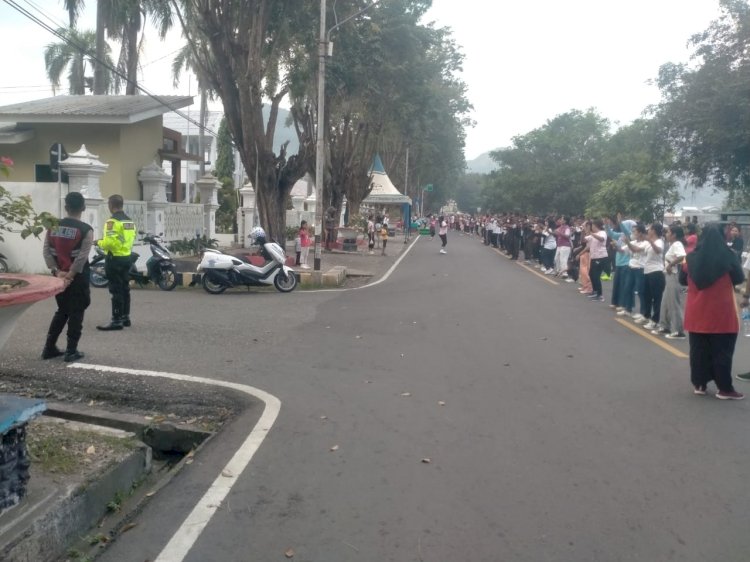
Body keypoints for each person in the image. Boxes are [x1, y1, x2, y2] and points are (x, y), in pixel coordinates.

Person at [684, 224, 745, 399]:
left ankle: (700, 384)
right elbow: (739, 278)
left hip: (696, 311)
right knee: (722, 351)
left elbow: (682, 279)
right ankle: (724, 388)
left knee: (698, 350)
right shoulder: (729, 256)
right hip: (721, 312)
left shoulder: (691, 257)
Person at [41, 192, 93, 362]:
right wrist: (70, 276)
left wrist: (57, 272)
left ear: (66, 207)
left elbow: (47, 251)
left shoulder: (53, 226)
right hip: (76, 277)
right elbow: (82, 257)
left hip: (58, 276)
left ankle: (49, 348)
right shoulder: (86, 230)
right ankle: (71, 351)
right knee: (76, 312)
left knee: (62, 310)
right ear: (83, 208)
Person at [97, 194, 136, 331]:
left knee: (116, 290)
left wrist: (99, 242)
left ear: (111, 205)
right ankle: (126, 317)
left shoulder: (112, 222)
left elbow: (110, 243)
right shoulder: (129, 221)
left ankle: (116, 320)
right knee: (125, 288)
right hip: (127, 257)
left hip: (114, 259)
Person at [655, 225, 687, 339]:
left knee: (674, 303)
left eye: (668, 232)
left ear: (674, 235)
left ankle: (679, 331)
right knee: (665, 302)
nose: (666, 234)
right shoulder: (672, 245)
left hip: (674, 276)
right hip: (669, 276)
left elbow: (683, 256)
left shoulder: (677, 244)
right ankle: (665, 326)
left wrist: (671, 264)